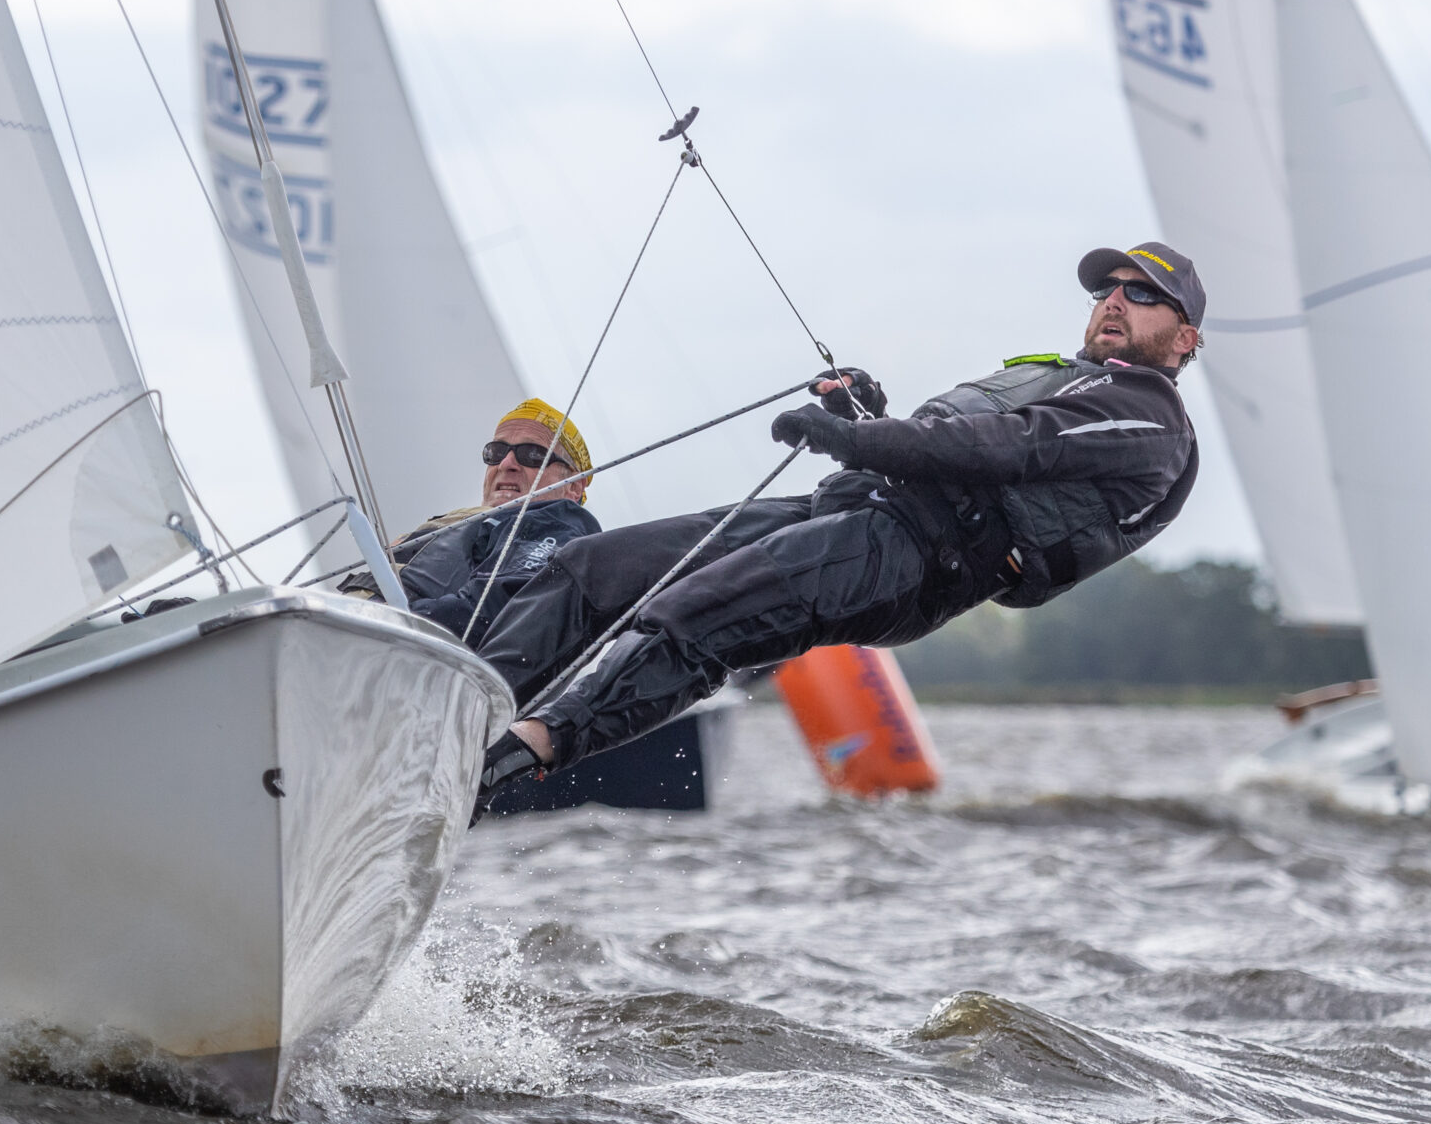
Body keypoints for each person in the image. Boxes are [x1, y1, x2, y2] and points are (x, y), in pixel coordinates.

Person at [476, 243, 1205, 790]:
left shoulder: (1150, 417)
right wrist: (865, 414)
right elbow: (946, 447)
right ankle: (461, 706)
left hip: (913, 558)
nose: (1115, 298)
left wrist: (856, 437)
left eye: (1143, 293)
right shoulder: (1068, 376)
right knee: (593, 570)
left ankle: (512, 757)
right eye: (1108, 287)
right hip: (855, 506)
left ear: (1184, 339)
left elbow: (1012, 446)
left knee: (691, 616)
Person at [343, 399, 599, 638]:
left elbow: (490, 610)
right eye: (496, 452)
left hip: (388, 644)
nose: (506, 463)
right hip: (349, 631)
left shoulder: (556, 525)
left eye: (533, 455)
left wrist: (390, 620)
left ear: (574, 487)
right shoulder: (469, 523)